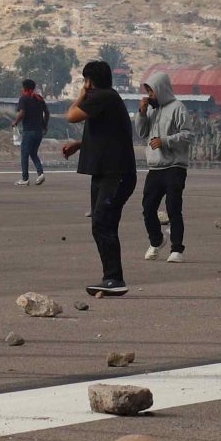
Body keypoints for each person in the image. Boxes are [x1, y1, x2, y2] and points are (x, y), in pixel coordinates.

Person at [63, 58, 136, 296]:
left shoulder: (102, 96)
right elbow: (109, 136)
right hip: (108, 172)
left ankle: (114, 278)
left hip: (116, 175)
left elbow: (71, 115)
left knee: (102, 223)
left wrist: (82, 93)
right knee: (103, 224)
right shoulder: (108, 99)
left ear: (90, 81)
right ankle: (112, 277)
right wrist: (81, 144)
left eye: (86, 81)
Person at [137, 71, 190, 264]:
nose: (150, 95)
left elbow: (188, 135)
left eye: (152, 91)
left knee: (173, 207)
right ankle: (157, 240)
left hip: (175, 166)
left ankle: (177, 249)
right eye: (148, 92)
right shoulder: (151, 110)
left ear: (161, 89)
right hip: (155, 167)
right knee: (148, 207)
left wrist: (165, 141)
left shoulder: (178, 108)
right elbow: (142, 132)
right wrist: (141, 113)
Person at [15, 78, 50, 185]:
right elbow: (47, 112)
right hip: (39, 131)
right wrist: (45, 125)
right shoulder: (39, 98)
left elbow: (22, 113)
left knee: (24, 154)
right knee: (33, 153)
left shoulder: (24, 98)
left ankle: (25, 179)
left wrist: (15, 122)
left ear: (24, 87)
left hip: (29, 131)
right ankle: (40, 174)